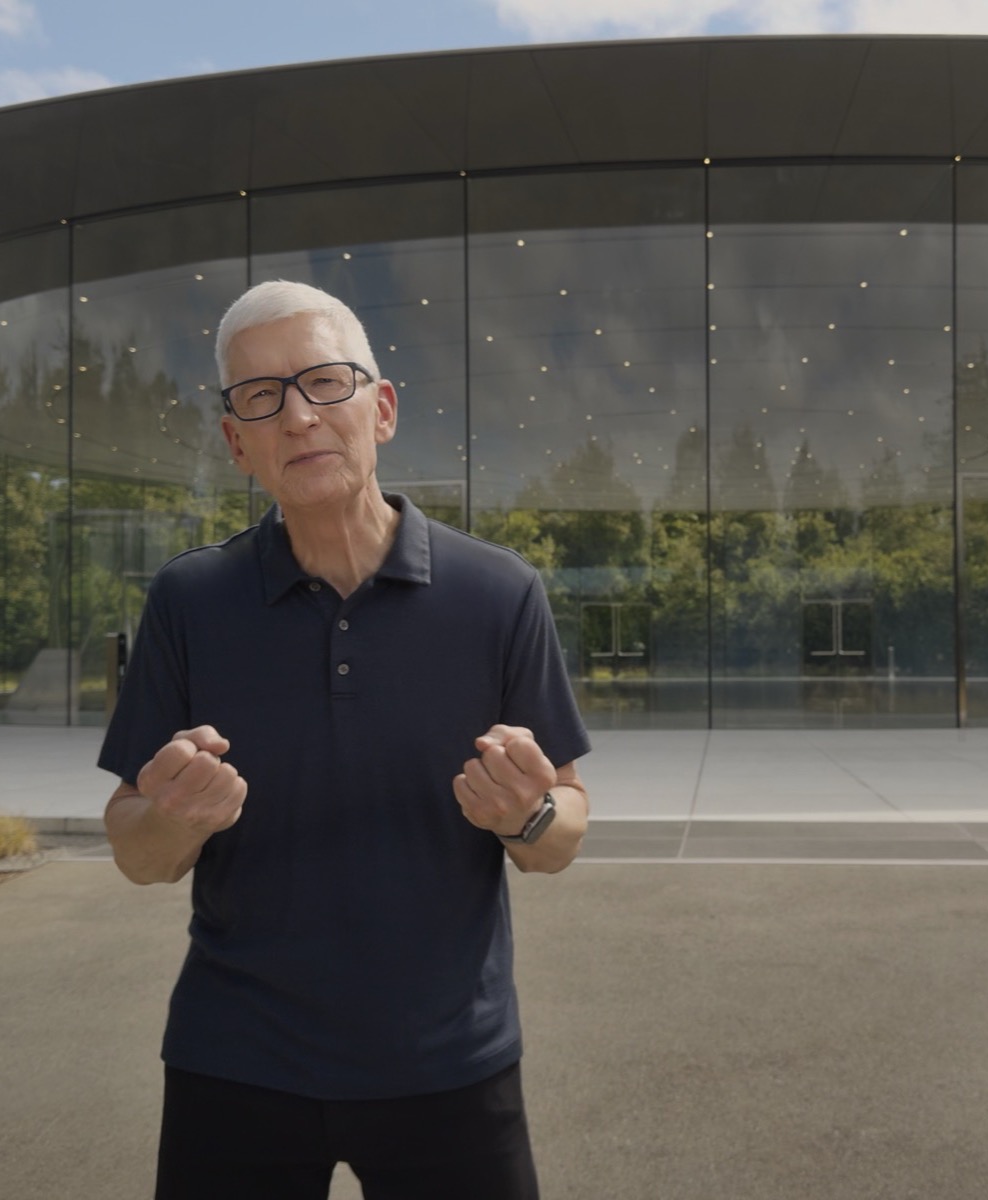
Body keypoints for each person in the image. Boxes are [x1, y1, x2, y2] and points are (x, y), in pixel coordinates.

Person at [97, 279, 592, 1200]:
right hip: (233, 1063)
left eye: (326, 382)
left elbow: (561, 834)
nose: (299, 417)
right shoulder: (190, 602)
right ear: (236, 441)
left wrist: (529, 817)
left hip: (451, 1064)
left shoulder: (499, 594)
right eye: (261, 397)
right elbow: (137, 852)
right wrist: (175, 820)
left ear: (383, 406)